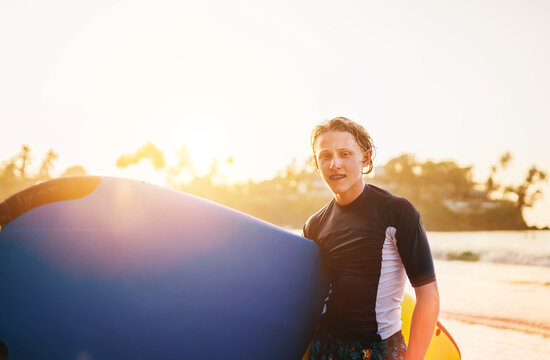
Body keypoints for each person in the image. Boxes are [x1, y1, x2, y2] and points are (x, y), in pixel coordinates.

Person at [303, 117, 439, 360]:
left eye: (345, 153)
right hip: (324, 348)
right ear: (316, 163)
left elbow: (428, 295)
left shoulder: (397, 212)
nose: (335, 164)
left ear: (365, 157)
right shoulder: (314, 225)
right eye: (325, 156)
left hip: (377, 350)